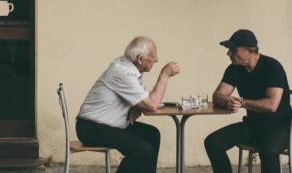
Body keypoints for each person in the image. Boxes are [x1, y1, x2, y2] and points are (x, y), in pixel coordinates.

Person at [76, 36, 180, 173]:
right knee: (143, 150)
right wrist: (165, 75)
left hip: (109, 125)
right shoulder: (123, 72)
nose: (157, 60)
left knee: (152, 134)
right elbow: (151, 104)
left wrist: (135, 106)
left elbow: (143, 101)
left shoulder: (132, 69)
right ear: (140, 59)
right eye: (153, 58)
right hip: (93, 128)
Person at [204, 29, 291, 173]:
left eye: (233, 49)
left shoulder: (272, 67)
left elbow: (271, 105)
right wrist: (227, 101)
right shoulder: (234, 69)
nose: (228, 53)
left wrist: (242, 102)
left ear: (250, 51)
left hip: (280, 126)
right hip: (252, 125)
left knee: (268, 151)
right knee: (213, 142)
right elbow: (217, 95)